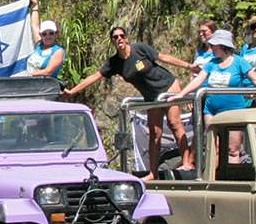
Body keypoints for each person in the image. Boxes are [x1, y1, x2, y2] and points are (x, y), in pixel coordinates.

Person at [64, 27, 201, 178]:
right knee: (155, 133)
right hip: (151, 96)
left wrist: (189, 66)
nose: (119, 39)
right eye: (115, 37)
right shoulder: (115, 62)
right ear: (112, 41)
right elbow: (95, 76)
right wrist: (73, 91)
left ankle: (187, 163)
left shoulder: (139, 49)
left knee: (174, 123)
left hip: (167, 85)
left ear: (126, 38)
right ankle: (153, 173)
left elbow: (163, 58)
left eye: (122, 36)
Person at [168, 31, 256, 169]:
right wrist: (181, 94)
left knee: (233, 150)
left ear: (223, 46)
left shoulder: (239, 62)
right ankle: (212, 179)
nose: (211, 48)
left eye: (214, 45)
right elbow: (198, 80)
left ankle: (232, 180)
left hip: (234, 110)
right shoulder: (211, 63)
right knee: (215, 147)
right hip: (211, 110)